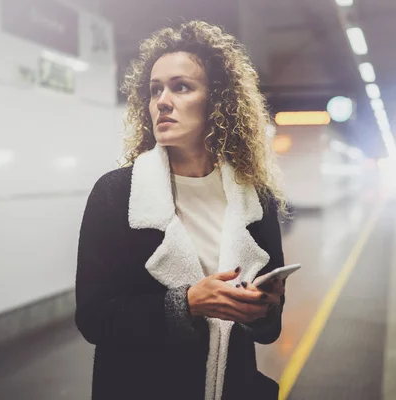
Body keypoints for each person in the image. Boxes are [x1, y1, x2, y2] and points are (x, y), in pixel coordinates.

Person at [75, 20, 288, 400]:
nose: (162, 101)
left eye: (181, 87)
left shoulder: (255, 197)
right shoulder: (116, 193)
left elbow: (269, 331)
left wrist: (264, 310)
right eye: (155, 90)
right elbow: (93, 318)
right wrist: (186, 304)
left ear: (218, 101)